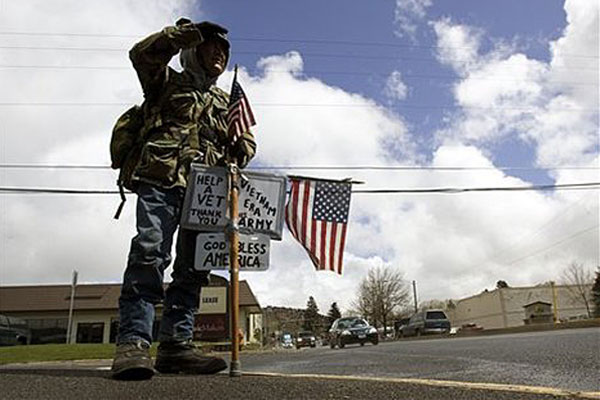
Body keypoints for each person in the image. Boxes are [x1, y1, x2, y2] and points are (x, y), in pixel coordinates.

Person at [111, 18, 256, 380]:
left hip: (205, 194)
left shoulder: (226, 102)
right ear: (193, 50)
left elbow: (248, 142)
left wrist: (242, 148)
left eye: (225, 49)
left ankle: (176, 346)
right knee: (149, 252)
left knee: (194, 269)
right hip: (161, 180)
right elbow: (141, 55)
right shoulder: (166, 83)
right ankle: (133, 344)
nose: (220, 53)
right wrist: (181, 35)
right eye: (212, 46)